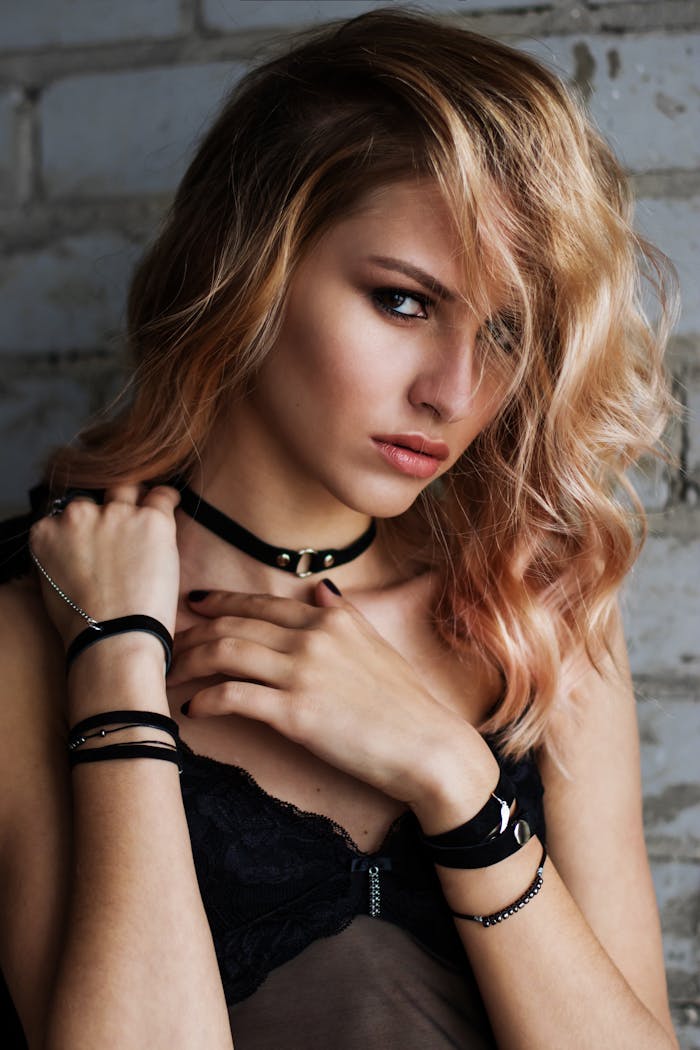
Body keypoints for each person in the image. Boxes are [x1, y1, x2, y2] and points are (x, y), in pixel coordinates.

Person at [0, 7, 682, 1048]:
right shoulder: (25, 618)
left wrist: (451, 776)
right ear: (247, 270)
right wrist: (115, 670)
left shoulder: (534, 609)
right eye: (404, 303)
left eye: (505, 332)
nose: (457, 391)